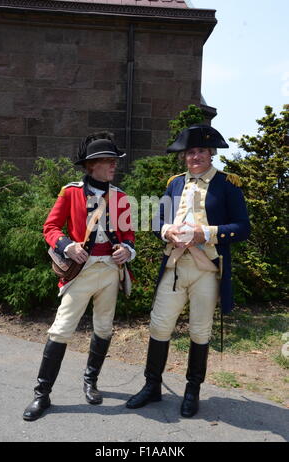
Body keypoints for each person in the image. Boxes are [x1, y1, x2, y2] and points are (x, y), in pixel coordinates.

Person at [126, 124, 250, 417]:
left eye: (202, 152)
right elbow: (157, 220)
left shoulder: (228, 185)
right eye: (191, 152)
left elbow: (243, 228)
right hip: (175, 265)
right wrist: (167, 230)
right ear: (185, 157)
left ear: (211, 155)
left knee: (199, 330)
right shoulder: (175, 184)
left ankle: (192, 390)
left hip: (206, 270)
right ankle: (152, 386)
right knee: (159, 325)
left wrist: (205, 233)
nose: (196, 157)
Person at [23, 132, 135, 421]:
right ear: (92, 165)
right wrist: (67, 245)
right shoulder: (70, 192)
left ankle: (91, 381)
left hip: (110, 270)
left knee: (104, 327)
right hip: (81, 271)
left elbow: (128, 236)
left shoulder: (121, 197)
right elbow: (50, 228)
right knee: (60, 329)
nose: (114, 166)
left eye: (114, 161)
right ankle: (42, 394)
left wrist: (127, 250)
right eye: (109, 161)